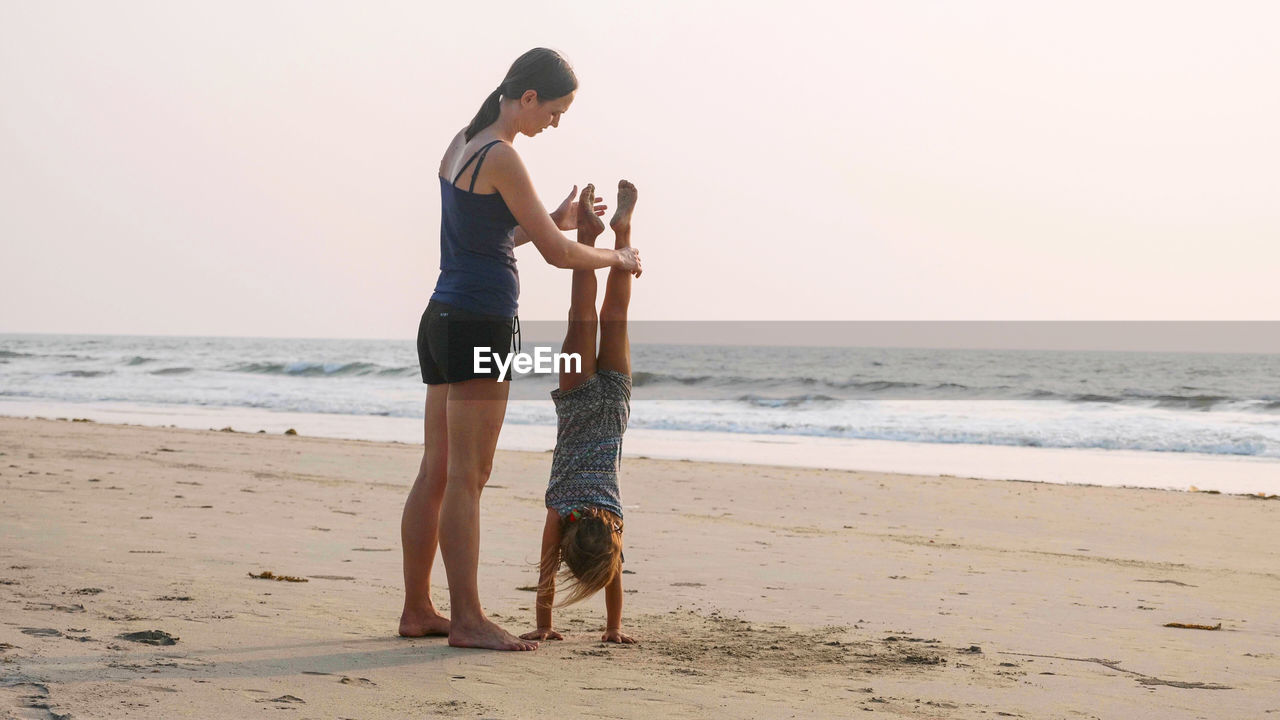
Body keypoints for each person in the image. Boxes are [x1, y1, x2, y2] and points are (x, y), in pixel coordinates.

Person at [399, 48, 642, 652]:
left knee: (437, 470)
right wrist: (618, 257)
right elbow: (560, 256)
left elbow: (493, 236)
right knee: (468, 477)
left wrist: (553, 218)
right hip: (480, 321)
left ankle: (418, 609)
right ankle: (468, 619)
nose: (554, 124)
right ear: (527, 97)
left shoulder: (464, 141)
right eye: (554, 111)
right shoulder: (504, 156)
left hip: (442, 317)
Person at [520, 180, 639, 645]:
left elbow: (612, 579)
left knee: (614, 317)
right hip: (576, 405)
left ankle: (622, 235)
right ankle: (589, 236)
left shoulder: (613, 519)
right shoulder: (560, 513)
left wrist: (614, 628)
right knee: (581, 315)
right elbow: (545, 578)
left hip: (612, 407)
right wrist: (544, 623)